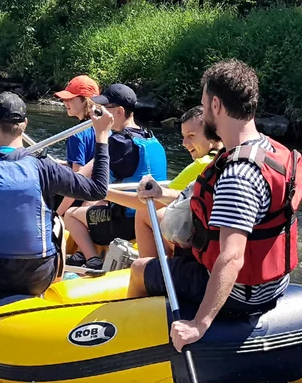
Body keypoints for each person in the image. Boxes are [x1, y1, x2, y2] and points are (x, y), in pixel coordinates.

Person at [128, 59, 302, 352]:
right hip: (274, 285)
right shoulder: (272, 151)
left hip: (240, 294)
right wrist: (162, 192)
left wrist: (200, 323)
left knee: (138, 268)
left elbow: (232, 258)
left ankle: (140, 347)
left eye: (203, 102)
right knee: (179, 253)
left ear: (215, 105)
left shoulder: (238, 174)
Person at [0, 92, 113, 298]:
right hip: (37, 278)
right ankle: (59, 284)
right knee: (57, 220)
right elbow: (98, 189)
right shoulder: (45, 167)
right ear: (25, 125)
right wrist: (102, 137)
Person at [63, 83, 168, 270]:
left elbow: (90, 181)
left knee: (71, 215)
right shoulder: (151, 138)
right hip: (146, 213)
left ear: (119, 111)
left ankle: (92, 259)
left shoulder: (117, 143)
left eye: (103, 108)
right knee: (93, 204)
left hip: (125, 222)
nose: (97, 111)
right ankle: (82, 253)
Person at [100, 105, 225, 259]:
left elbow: (150, 203)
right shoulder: (226, 158)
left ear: (211, 133)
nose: (184, 143)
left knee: (144, 212)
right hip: (213, 238)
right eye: (184, 136)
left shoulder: (201, 165)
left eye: (191, 136)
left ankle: (147, 266)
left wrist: (102, 192)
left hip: (199, 243)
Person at [53, 75, 100, 217]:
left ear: (85, 100)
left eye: (70, 99)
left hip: (82, 198)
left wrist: (57, 214)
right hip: (101, 193)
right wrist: (64, 164)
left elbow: (78, 182)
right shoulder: (106, 129)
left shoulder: (76, 135)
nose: (64, 102)